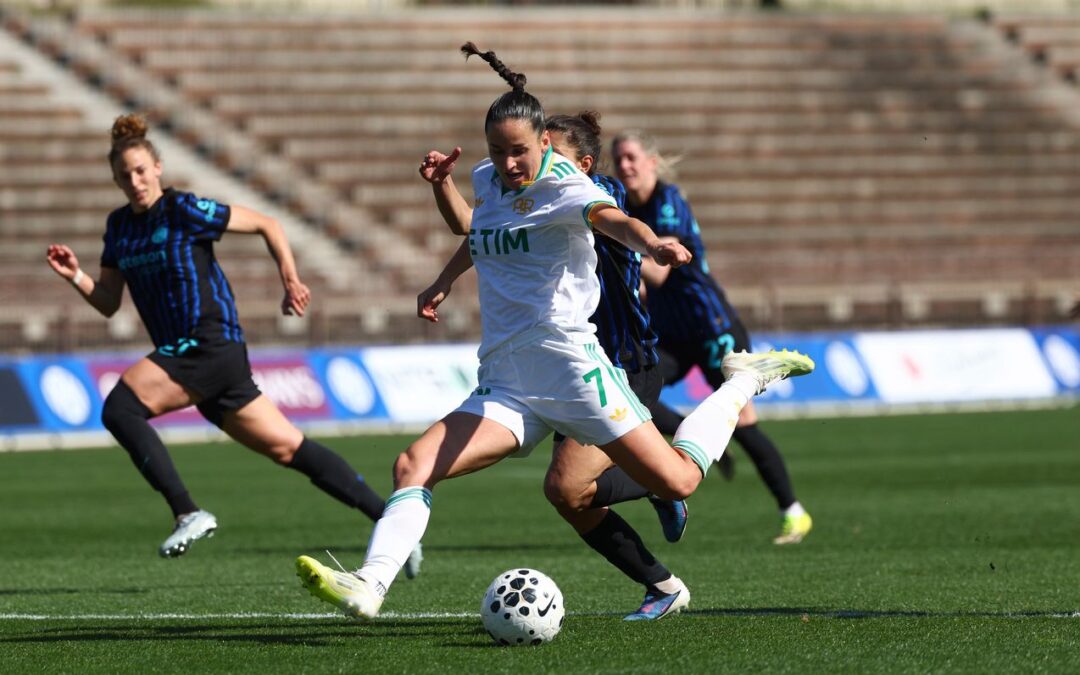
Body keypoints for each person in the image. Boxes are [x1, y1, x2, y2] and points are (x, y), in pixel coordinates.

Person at [295, 42, 813, 620]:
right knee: (413, 465)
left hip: (575, 370)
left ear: (544, 143)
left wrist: (654, 244)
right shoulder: (491, 178)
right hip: (507, 378)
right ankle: (369, 585)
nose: (509, 163)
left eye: (519, 151)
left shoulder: (567, 184)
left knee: (679, 481)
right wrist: (442, 200)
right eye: (498, 151)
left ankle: (742, 383)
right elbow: (476, 228)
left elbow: (612, 219)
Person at [45, 113, 423, 575]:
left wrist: (290, 279)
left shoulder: (182, 209)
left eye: (141, 170)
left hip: (208, 344)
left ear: (157, 167)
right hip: (191, 359)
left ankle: (187, 511)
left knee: (120, 408)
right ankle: (393, 525)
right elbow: (108, 302)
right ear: (115, 179)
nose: (135, 181)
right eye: (125, 176)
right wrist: (77, 276)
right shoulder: (119, 227)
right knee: (290, 448)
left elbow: (268, 224)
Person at [413, 110, 692, 620]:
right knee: (565, 492)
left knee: (574, 486)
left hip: (621, 358)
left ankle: (671, 469)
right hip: (558, 365)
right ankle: (661, 584)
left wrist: (653, 244)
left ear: (581, 164)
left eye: (551, 157)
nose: (531, 168)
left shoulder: (584, 191)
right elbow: (486, 234)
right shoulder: (528, 191)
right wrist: (445, 278)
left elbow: (619, 223)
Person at [611, 129, 813, 545]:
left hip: (712, 327)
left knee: (743, 423)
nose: (625, 166)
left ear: (652, 160)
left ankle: (793, 512)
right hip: (668, 333)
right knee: (628, 390)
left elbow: (659, 270)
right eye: (619, 159)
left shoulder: (668, 203)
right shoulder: (626, 208)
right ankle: (692, 430)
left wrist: (614, 244)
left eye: (631, 157)